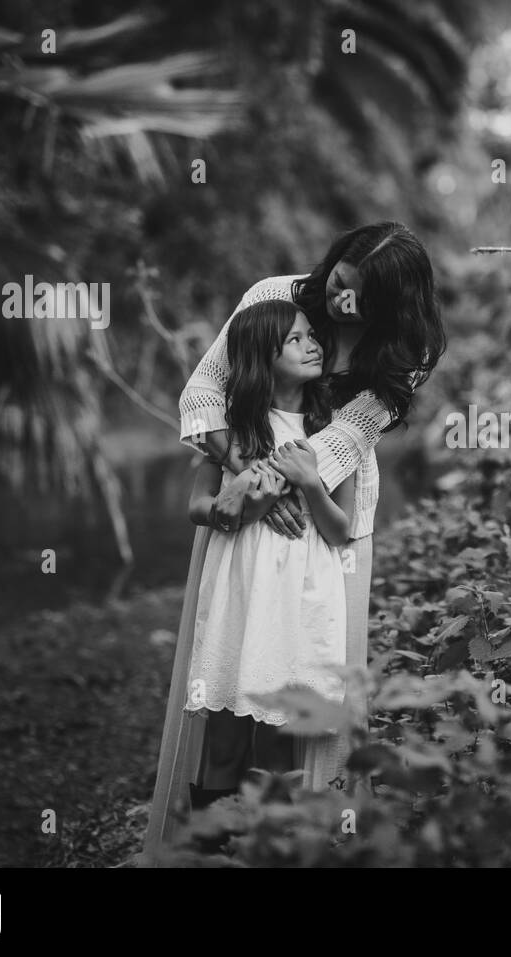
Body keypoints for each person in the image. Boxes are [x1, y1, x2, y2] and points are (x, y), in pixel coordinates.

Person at [143, 222, 445, 861]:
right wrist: (245, 475)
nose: (341, 306)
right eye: (340, 284)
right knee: (229, 668)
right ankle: (208, 838)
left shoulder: (401, 351)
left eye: (362, 299)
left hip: (323, 517)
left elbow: (341, 444)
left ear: (394, 306)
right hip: (241, 510)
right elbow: (203, 393)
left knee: (303, 676)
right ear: (332, 263)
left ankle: (301, 837)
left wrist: (279, 488)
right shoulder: (274, 298)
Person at [182, 298, 355, 810]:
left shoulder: (334, 430)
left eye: (312, 335)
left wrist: (309, 484)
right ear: (263, 355)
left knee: (279, 733)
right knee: (226, 730)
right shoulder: (232, 426)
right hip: (243, 579)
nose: (314, 344)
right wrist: (232, 509)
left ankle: (269, 846)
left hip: (300, 587)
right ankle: (211, 846)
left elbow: (341, 530)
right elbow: (197, 503)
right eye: (297, 339)